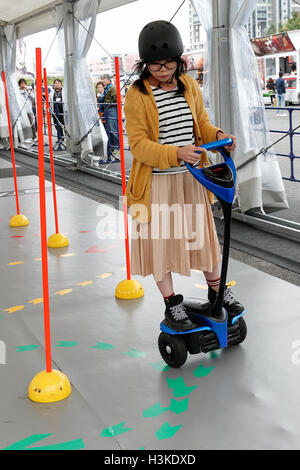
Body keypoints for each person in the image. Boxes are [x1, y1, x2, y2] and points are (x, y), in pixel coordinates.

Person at [124, 20, 244, 332]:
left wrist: (218, 135)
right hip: (156, 183)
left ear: (180, 61)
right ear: (144, 64)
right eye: (155, 65)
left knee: (203, 240)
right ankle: (172, 305)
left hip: (191, 178)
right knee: (160, 245)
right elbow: (138, 146)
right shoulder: (137, 94)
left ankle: (218, 290)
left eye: (168, 64)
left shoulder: (188, 85)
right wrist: (175, 152)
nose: (162, 70)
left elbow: (201, 125)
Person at [100, 74, 120, 161]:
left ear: (108, 79)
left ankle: (116, 147)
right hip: (107, 110)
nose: (102, 81)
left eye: (103, 79)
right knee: (109, 130)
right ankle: (112, 146)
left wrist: (109, 103)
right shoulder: (107, 88)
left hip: (112, 109)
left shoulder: (112, 88)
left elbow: (116, 99)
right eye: (102, 79)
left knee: (113, 129)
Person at [49, 79, 65, 150]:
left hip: (63, 112)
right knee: (57, 125)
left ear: (61, 84)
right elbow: (49, 102)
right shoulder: (52, 92)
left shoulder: (64, 91)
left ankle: (67, 138)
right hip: (55, 112)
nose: (57, 84)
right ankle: (60, 138)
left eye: (58, 83)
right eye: (55, 83)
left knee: (65, 126)